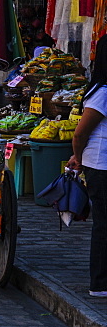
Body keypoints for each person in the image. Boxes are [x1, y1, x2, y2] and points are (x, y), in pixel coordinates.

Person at [68, 34, 107, 296]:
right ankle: (100, 283)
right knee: (103, 223)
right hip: (101, 164)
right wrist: (78, 158)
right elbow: (80, 133)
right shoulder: (103, 92)